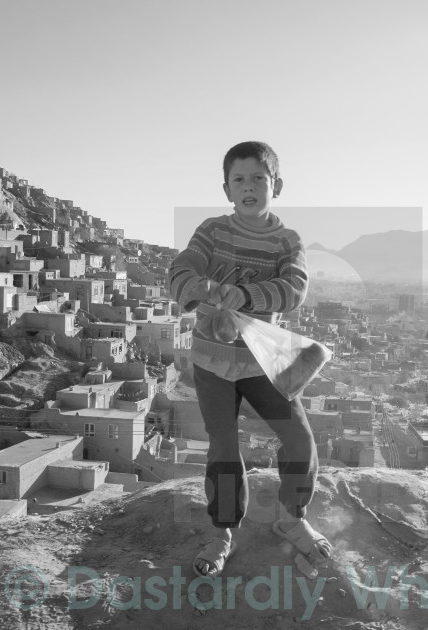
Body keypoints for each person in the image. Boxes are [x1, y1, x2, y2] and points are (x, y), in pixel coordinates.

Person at [168, 141, 331, 577]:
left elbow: (294, 287)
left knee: (299, 441)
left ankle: (291, 519)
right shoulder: (212, 231)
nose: (249, 187)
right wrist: (197, 288)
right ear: (226, 189)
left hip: (263, 363)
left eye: (259, 178)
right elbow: (182, 268)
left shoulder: (286, 240)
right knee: (223, 447)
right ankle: (221, 532)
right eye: (239, 179)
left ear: (276, 185)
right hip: (212, 362)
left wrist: (247, 295)